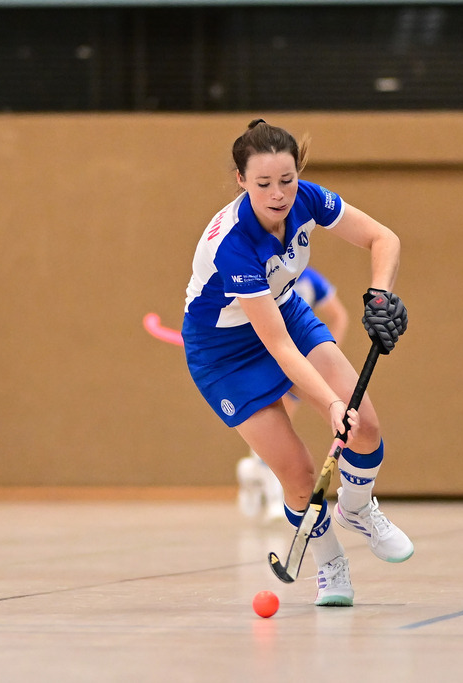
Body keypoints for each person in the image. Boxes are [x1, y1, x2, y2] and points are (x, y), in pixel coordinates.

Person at [183, 119, 411, 607]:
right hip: (223, 352)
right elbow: (279, 347)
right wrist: (329, 403)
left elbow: (384, 238)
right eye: (263, 183)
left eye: (286, 180)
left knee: (366, 426)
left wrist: (380, 296)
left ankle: (356, 508)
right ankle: (329, 563)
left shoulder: (308, 199)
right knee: (299, 473)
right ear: (241, 180)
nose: (278, 194)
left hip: (284, 309)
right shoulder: (234, 244)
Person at [236, 266, 349, 522]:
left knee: (280, 429)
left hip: (300, 361)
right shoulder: (260, 274)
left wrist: (328, 350)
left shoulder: (311, 280)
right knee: (276, 429)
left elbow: (339, 316)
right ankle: (273, 497)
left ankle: (251, 470)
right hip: (270, 357)